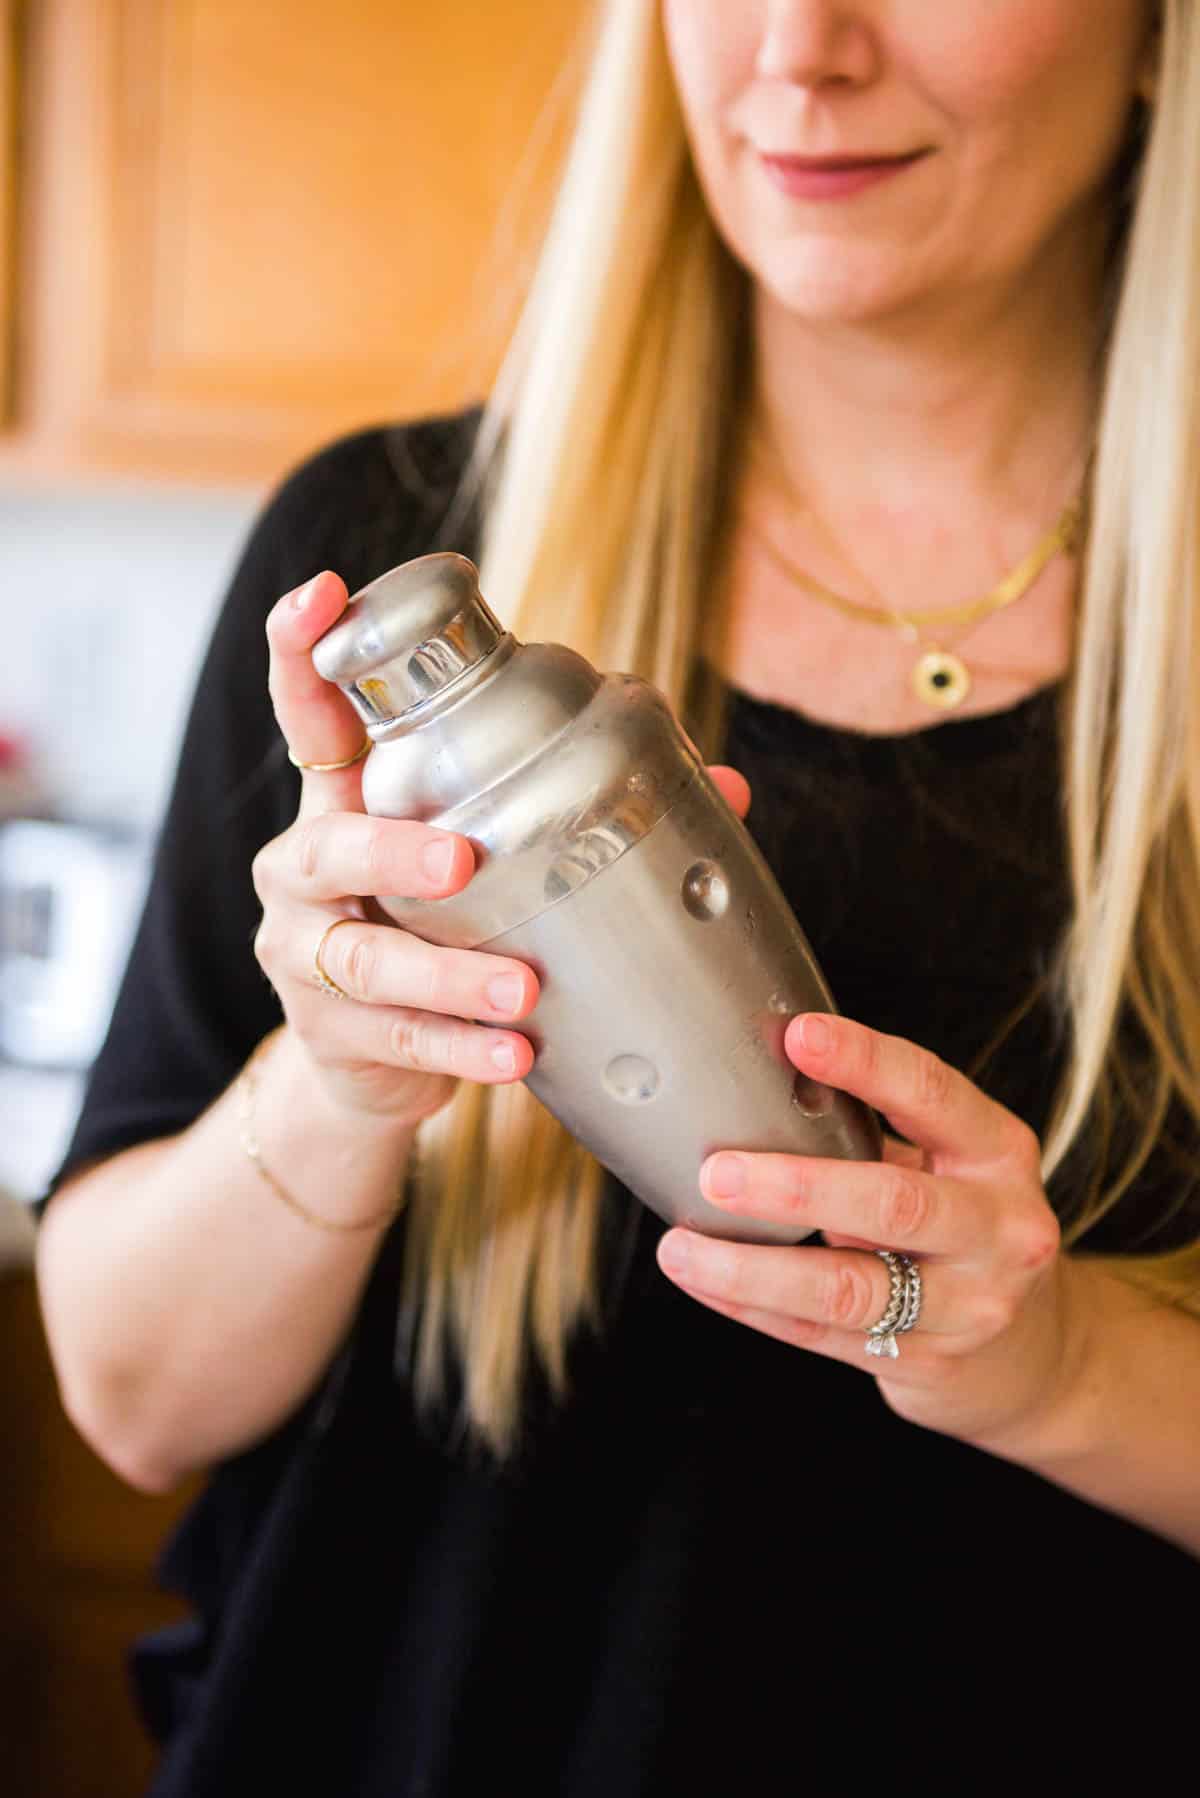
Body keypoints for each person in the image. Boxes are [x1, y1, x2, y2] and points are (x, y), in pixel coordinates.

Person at [31, 2, 1200, 1792]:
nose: (801, 47)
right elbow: (134, 1395)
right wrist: (341, 1081)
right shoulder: (382, 572)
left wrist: (1054, 1366)